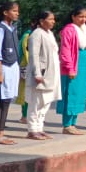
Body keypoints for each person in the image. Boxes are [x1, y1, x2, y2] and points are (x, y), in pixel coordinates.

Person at [58, 6, 86, 134]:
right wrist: (70, 68)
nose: (83, 19)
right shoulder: (69, 30)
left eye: (85, 17)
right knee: (71, 94)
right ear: (73, 17)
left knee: (79, 95)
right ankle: (67, 125)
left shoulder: (84, 30)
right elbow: (65, 50)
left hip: (83, 65)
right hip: (73, 65)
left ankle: (73, 123)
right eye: (80, 16)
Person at [0, 0, 21, 146]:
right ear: (5, 12)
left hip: (13, 66)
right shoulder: (0, 29)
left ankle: (1, 132)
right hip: (4, 67)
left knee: (7, 100)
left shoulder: (13, 28)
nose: (17, 13)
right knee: (0, 101)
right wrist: (0, 72)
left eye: (17, 11)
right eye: (14, 11)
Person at [25, 11, 60, 139]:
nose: (53, 21)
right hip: (41, 74)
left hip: (51, 74)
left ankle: (39, 128)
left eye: (53, 19)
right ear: (41, 21)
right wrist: (37, 73)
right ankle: (32, 129)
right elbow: (34, 55)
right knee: (36, 102)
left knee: (46, 103)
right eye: (50, 19)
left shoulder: (49, 33)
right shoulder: (36, 34)